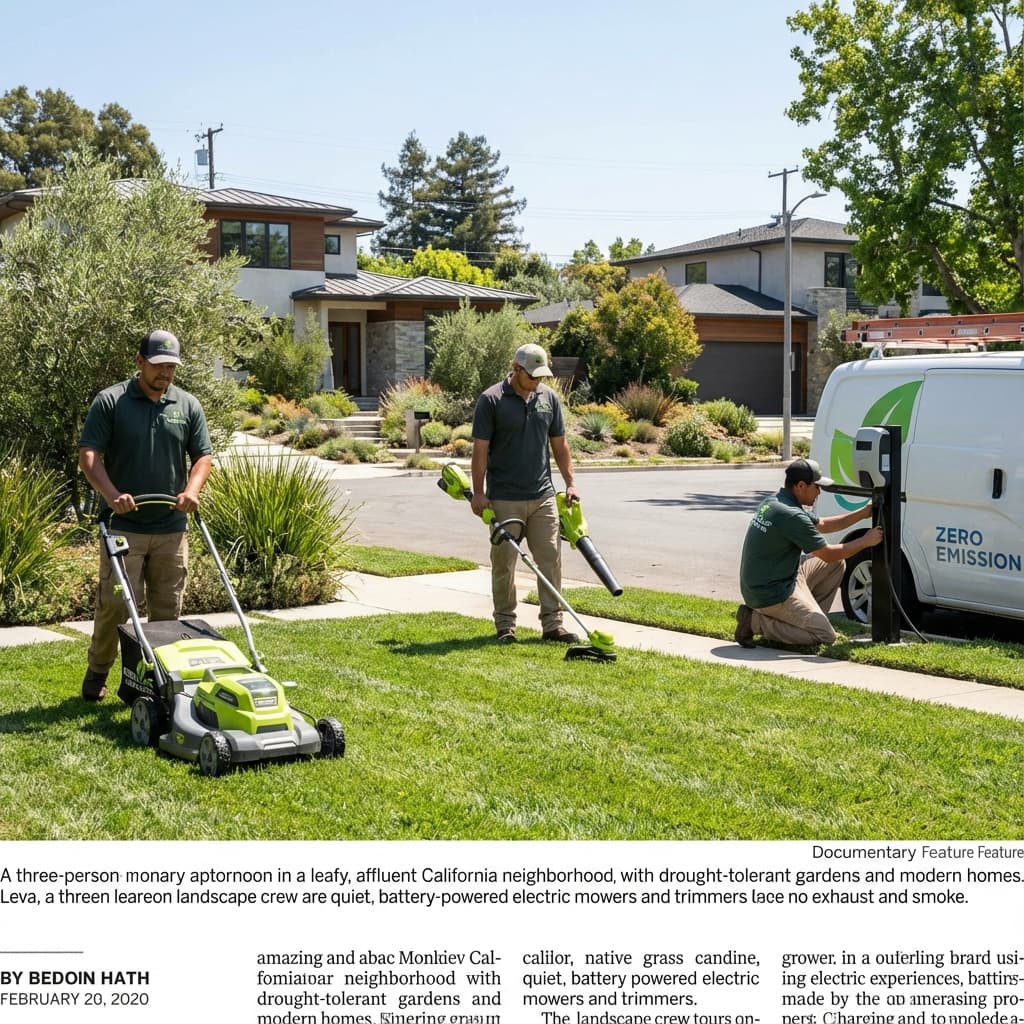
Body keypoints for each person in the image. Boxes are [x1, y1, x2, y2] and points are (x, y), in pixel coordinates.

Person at [78, 330, 213, 701]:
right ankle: (97, 674)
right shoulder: (112, 401)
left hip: (171, 527)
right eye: (158, 366)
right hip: (124, 527)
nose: (165, 374)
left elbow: (203, 456)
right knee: (116, 606)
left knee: (169, 611)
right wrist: (112, 494)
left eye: (171, 367)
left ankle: (163, 682)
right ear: (139, 363)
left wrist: (191, 491)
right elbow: (89, 456)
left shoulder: (187, 405)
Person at [470, 343, 579, 645]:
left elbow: (560, 445)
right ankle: (505, 625)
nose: (537, 382)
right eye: (532, 376)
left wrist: (570, 482)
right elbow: (480, 451)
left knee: (551, 558)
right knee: (504, 562)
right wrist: (479, 493)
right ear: (516, 369)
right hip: (504, 497)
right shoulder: (491, 400)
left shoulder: (549, 398)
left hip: (543, 494)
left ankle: (552, 625)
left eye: (541, 376)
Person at [735, 458, 882, 648]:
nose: (819, 492)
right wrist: (865, 541)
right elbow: (827, 553)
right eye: (817, 486)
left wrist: (862, 513)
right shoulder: (791, 515)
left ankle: (808, 621)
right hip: (772, 593)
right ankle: (754, 622)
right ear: (801, 486)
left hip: (779, 577)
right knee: (824, 637)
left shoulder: (777, 502)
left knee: (837, 565)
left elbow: (823, 525)